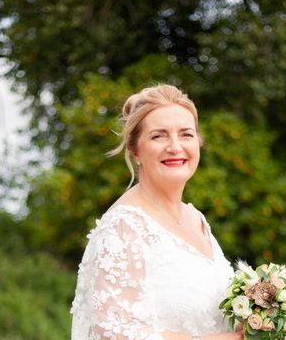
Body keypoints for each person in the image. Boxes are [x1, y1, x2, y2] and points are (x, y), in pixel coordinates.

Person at [71, 84, 243, 340]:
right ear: (135, 150)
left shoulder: (196, 219)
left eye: (186, 134)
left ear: (198, 142)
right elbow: (112, 332)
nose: (175, 147)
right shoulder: (123, 226)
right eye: (159, 136)